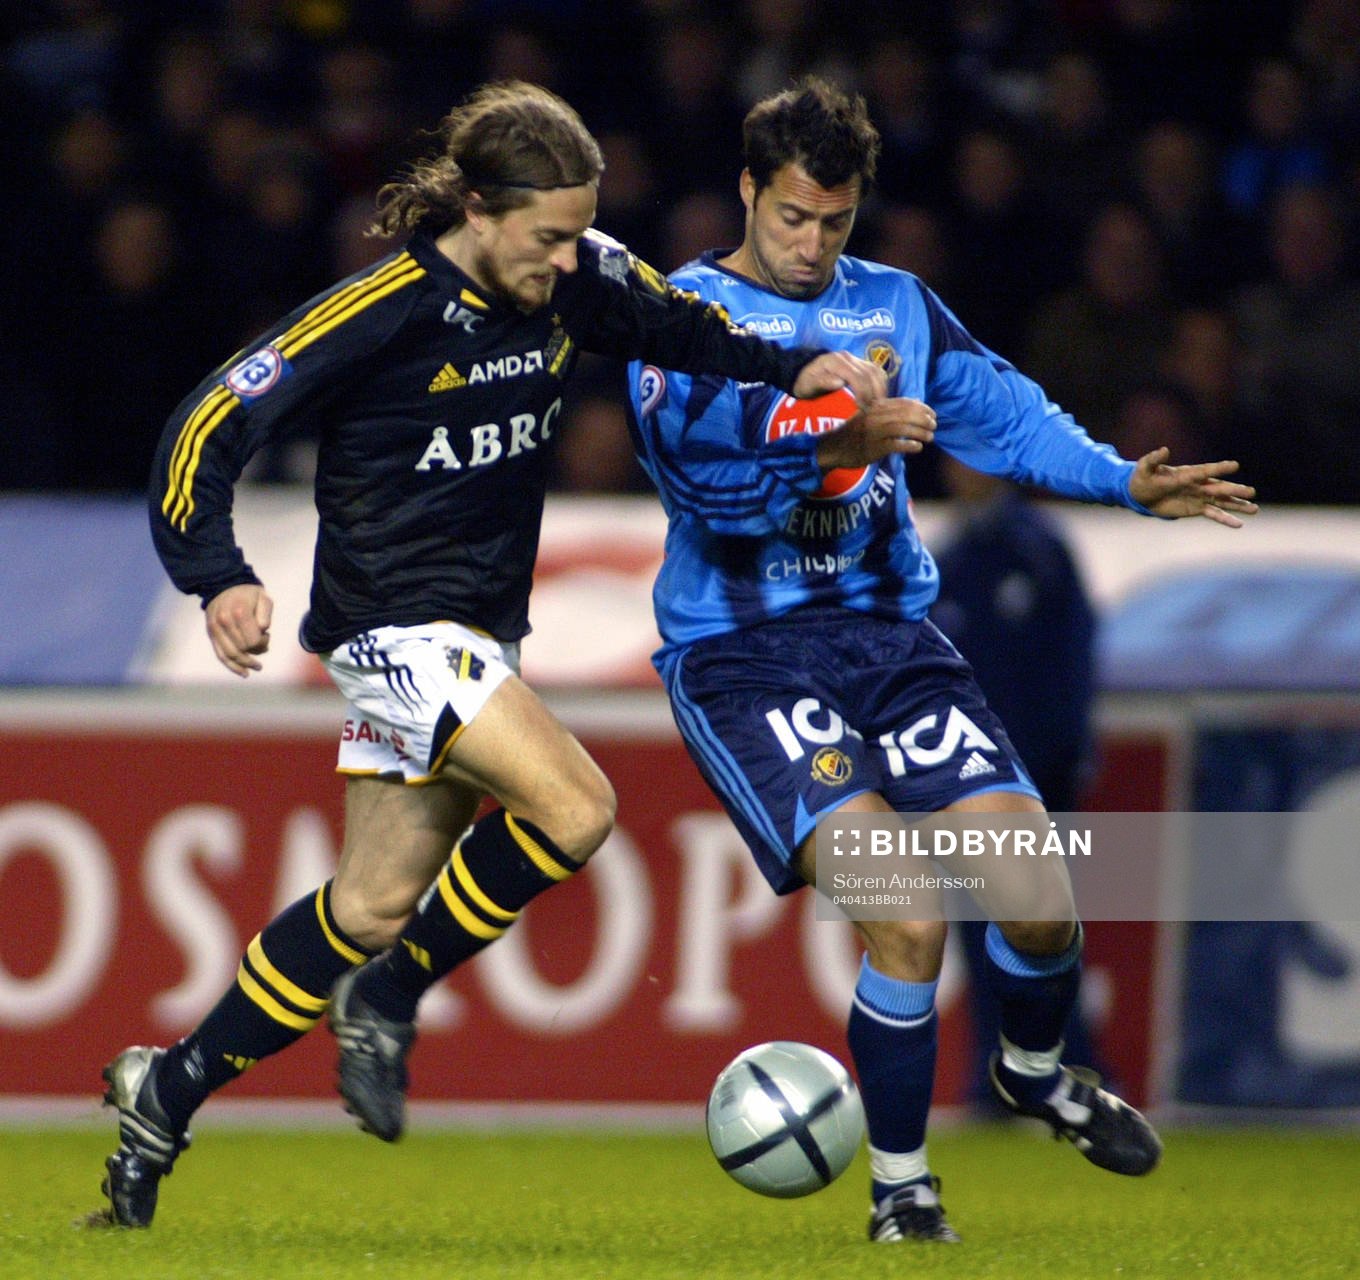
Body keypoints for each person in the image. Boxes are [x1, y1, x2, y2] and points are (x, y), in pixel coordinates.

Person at [99, 80, 885, 1230]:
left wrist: (792, 369)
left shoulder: (583, 273)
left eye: (580, 232)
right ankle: (396, 987)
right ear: (476, 206)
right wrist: (216, 572)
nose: (568, 261)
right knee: (576, 809)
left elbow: (678, 322)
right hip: (393, 629)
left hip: (480, 631)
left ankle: (166, 1092)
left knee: (368, 903)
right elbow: (210, 422)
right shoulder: (382, 309)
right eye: (547, 236)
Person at [625, 77, 1257, 1245]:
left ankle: (1032, 1070)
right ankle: (903, 1188)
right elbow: (701, 488)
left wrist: (1121, 478)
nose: (813, 246)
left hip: (893, 642)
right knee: (905, 910)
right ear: (750, 193)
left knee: (1038, 901)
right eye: (791, 218)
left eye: (836, 222)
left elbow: (1000, 412)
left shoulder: (896, 307)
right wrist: (837, 438)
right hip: (746, 657)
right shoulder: (682, 319)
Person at [929, 455, 1105, 1110]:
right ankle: (997, 1075)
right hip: (962, 783)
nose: (958, 470)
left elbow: (1074, 657)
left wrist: (1070, 751)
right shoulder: (946, 558)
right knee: (980, 930)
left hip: (1032, 776)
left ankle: (1072, 1066)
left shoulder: (1039, 550)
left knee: (1044, 924)